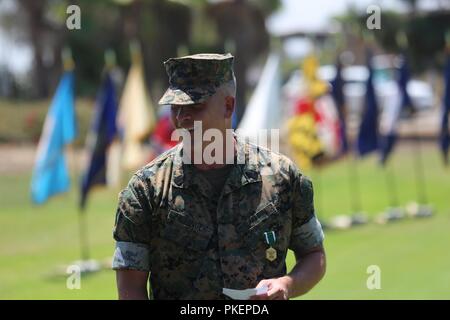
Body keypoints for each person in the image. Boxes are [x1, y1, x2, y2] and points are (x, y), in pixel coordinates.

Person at [112, 53, 326, 300]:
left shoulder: (281, 177)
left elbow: (314, 254)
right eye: (175, 108)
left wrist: (288, 284)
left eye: (195, 107)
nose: (182, 119)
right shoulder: (145, 190)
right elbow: (130, 289)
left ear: (228, 106)